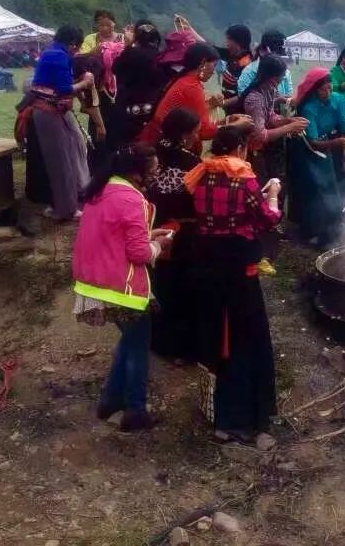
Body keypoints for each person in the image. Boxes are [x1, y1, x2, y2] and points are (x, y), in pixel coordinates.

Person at [185, 126, 282, 448]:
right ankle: (246, 419)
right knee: (246, 338)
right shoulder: (244, 177)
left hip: (207, 265)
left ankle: (218, 413)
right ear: (240, 149)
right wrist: (273, 195)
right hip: (240, 269)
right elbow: (268, 219)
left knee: (216, 333)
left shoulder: (199, 173)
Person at [72, 144, 172, 431]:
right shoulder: (133, 199)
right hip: (121, 288)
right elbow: (140, 255)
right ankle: (135, 410)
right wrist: (159, 244)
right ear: (136, 172)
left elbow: (112, 234)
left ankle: (111, 401)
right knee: (138, 347)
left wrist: (147, 233)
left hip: (93, 283)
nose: (155, 174)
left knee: (129, 343)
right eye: (152, 169)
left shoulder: (100, 191)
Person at [241, 56, 310, 273]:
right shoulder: (254, 98)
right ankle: (258, 254)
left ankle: (269, 239)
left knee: (275, 191)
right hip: (255, 154)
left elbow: (270, 117)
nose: (280, 82)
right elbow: (260, 135)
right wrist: (289, 129)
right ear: (268, 76)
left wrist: (289, 120)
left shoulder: (268, 92)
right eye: (278, 78)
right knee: (260, 199)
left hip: (269, 154)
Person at [146, 108, 203, 361]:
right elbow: (200, 200)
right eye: (195, 132)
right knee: (185, 289)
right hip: (184, 233)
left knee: (161, 284)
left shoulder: (152, 153)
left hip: (154, 229)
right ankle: (181, 349)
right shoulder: (190, 163)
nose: (197, 136)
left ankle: (158, 340)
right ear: (183, 134)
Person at [29, 25, 95, 220]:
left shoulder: (51, 52)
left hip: (46, 112)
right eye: (77, 46)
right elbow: (63, 89)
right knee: (62, 162)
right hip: (50, 113)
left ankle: (59, 203)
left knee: (59, 159)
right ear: (73, 43)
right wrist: (86, 82)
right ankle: (65, 209)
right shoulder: (59, 56)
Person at [287, 68, 345, 246]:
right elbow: (314, 142)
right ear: (314, 91)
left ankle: (330, 228)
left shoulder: (338, 100)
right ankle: (309, 230)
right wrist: (339, 142)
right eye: (323, 90)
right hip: (305, 150)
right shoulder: (309, 107)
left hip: (325, 147)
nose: (328, 93)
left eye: (330, 89)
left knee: (328, 185)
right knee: (311, 188)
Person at [141, 43, 250, 153]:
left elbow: (197, 124)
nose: (213, 71)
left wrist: (227, 121)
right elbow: (204, 131)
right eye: (214, 65)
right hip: (163, 145)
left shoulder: (185, 80)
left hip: (158, 139)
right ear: (202, 63)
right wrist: (236, 126)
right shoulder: (191, 87)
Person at [109, 20, 168, 150]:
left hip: (128, 108)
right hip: (153, 109)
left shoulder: (130, 53)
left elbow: (115, 69)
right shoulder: (161, 57)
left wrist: (128, 45)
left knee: (126, 147)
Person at [237, 30, 294, 100]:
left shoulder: (286, 73)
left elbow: (289, 96)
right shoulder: (249, 73)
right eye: (274, 54)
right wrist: (276, 100)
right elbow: (245, 101)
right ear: (262, 51)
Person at [220, 24, 253, 110]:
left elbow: (245, 93)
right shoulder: (233, 56)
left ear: (237, 42)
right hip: (230, 110)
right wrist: (189, 28)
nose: (226, 43)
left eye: (228, 39)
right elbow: (209, 48)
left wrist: (223, 103)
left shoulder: (246, 63)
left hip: (240, 113)